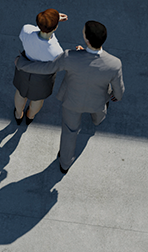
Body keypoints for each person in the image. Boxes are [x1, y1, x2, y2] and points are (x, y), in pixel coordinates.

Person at [17, 19, 125, 173]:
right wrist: (116, 97)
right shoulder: (115, 63)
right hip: (97, 101)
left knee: (70, 132)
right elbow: (119, 90)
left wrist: (21, 64)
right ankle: (97, 121)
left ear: (87, 40)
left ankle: (65, 164)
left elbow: (47, 68)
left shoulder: (69, 56)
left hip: (72, 102)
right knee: (99, 114)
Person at [13, 9, 65, 124]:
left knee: (20, 93)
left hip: (24, 68)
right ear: (55, 27)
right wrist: (54, 21)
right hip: (42, 77)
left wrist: (49, 20)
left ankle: (18, 114)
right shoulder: (57, 51)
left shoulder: (26, 30)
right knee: (37, 100)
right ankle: (30, 116)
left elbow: (34, 30)